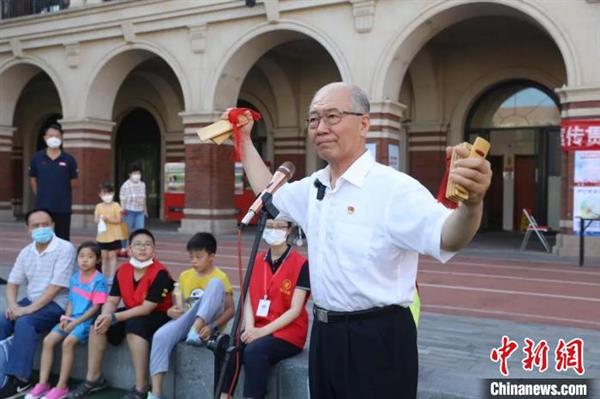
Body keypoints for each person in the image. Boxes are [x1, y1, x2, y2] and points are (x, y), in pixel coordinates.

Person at [229, 82, 492, 398]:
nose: (321, 128)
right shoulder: (314, 187)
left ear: (364, 123)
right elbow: (268, 191)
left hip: (379, 337)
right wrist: (243, 139)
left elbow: (449, 236)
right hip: (325, 334)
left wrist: (473, 203)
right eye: (314, 120)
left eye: (333, 116)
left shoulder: (394, 188)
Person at [68, 229, 173, 399]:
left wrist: (114, 317)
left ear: (154, 250)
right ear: (129, 249)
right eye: (138, 244)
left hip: (158, 314)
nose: (143, 248)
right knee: (98, 324)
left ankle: (141, 386)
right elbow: (112, 300)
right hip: (132, 312)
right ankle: (94, 379)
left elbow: (147, 308)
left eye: (148, 245)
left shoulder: (160, 272)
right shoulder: (122, 270)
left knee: (135, 327)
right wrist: (105, 315)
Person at [219, 219, 310, 399]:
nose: (274, 230)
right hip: (258, 327)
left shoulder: (301, 264)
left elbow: (295, 309)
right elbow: (249, 299)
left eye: (279, 226)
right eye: (269, 226)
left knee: (254, 351)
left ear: (289, 230)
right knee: (227, 345)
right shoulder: (257, 259)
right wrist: (251, 327)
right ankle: (223, 396)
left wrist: (261, 332)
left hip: (288, 333)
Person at [0, 209, 76, 398]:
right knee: (2, 320)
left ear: (53, 225)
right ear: (28, 229)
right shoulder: (26, 252)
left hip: (58, 303)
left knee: (25, 322)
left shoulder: (65, 248)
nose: (41, 228)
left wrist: (25, 311)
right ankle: (3, 372)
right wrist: (13, 306)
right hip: (33, 300)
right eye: (36, 225)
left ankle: (21, 380)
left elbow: (56, 287)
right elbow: (12, 284)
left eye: (46, 224)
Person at [148, 232, 234, 399]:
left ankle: (196, 329)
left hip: (207, 324)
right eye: (191, 257)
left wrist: (212, 326)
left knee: (214, 284)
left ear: (211, 256)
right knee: (160, 336)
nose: (193, 261)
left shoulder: (220, 277)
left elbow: (231, 309)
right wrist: (172, 311)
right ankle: (156, 394)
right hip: (188, 321)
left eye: (198, 257)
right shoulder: (185, 276)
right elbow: (180, 306)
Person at [26, 242, 108, 399]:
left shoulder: (99, 280)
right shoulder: (75, 277)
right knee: (49, 340)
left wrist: (76, 323)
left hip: (85, 321)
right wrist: (66, 318)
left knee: (67, 343)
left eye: (90, 257)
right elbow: (71, 301)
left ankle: (61, 386)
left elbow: (95, 308)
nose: (84, 260)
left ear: (98, 260)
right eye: (82, 256)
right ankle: (43, 384)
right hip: (71, 318)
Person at [29, 124, 78, 241]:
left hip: (63, 206)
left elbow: (74, 182)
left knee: (63, 239)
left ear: (61, 138)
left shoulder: (69, 159)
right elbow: (32, 179)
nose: (54, 138)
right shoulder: (37, 158)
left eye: (57, 136)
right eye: (50, 135)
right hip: (42, 206)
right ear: (45, 138)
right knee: (43, 237)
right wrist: (41, 195)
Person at [95, 182, 124, 284]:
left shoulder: (116, 205)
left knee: (112, 256)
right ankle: (102, 276)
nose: (106, 196)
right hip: (102, 236)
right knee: (103, 257)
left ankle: (111, 277)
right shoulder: (98, 206)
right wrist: (100, 219)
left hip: (113, 236)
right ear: (100, 195)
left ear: (113, 194)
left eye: (108, 193)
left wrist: (108, 219)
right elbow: (95, 220)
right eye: (104, 193)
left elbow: (119, 220)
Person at [118, 164, 147, 257]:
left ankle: (136, 250)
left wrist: (145, 210)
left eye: (138, 173)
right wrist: (123, 209)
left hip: (140, 212)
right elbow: (122, 198)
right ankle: (123, 248)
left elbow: (144, 198)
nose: (137, 175)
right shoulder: (126, 185)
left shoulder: (142, 184)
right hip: (129, 211)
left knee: (139, 231)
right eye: (134, 173)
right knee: (126, 231)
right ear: (130, 174)